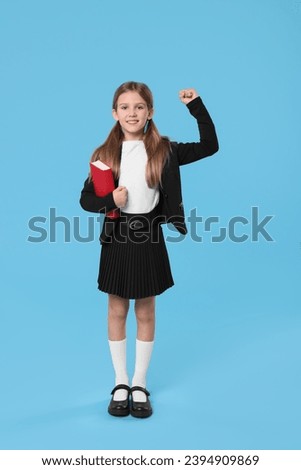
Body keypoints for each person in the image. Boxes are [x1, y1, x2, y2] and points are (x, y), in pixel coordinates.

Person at [80, 81, 219, 418]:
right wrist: (109, 200)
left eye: (139, 107)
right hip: (118, 236)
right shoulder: (104, 155)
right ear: (115, 113)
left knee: (145, 311)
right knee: (116, 310)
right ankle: (121, 381)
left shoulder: (165, 150)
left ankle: (140, 383)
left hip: (149, 235)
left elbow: (210, 145)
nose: (132, 113)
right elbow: (85, 200)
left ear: (150, 112)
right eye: (125, 107)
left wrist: (196, 106)